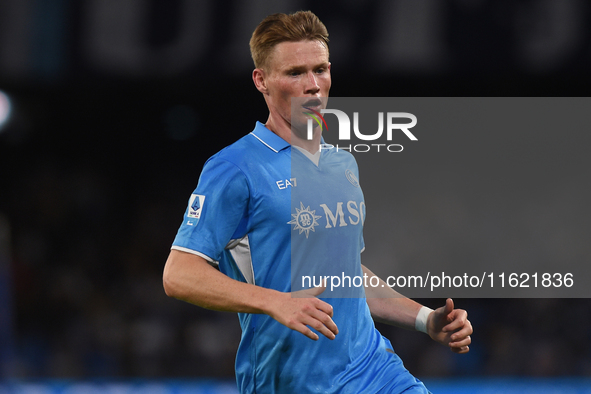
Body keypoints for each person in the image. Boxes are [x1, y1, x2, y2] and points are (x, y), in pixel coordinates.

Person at [163, 11, 472, 393]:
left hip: (373, 370)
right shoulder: (235, 168)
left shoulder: (342, 163)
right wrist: (276, 302)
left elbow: (346, 275)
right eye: (295, 73)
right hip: (289, 381)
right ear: (261, 80)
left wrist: (426, 319)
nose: (313, 85)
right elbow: (178, 274)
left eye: (320, 69)